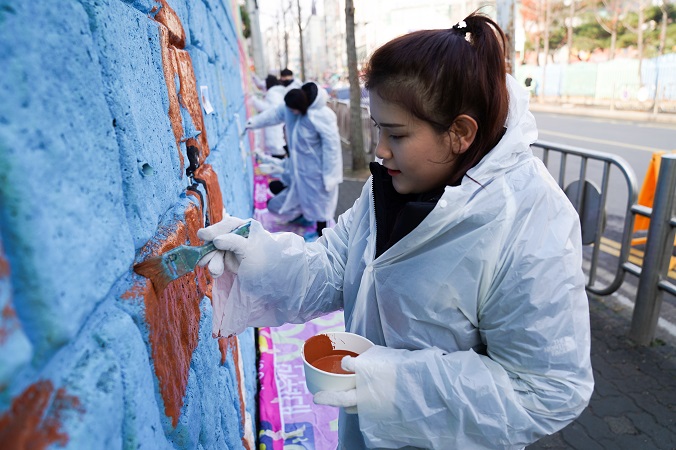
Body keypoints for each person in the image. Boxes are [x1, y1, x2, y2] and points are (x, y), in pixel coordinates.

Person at [198, 12, 593, 449]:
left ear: (460, 132)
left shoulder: (531, 221)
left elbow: (545, 389)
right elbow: (333, 266)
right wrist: (264, 260)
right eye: (378, 129)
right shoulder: (388, 187)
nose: (381, 150)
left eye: (397, 134)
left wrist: (388, 384)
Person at [245, 81, 342, 237]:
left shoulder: (322, 115)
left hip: (317, 171)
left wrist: (331, 176)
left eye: (293, 111)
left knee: (321, 206)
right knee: (301, 199)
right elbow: (274, 114)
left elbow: (332, 148)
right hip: (299, 168)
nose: (291, 113)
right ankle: (304, 217)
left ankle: (322, 234)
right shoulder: (292, 107)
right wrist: (254, 123)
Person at [249, 74, 287, 159]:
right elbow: (261, 85)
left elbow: (269, 109)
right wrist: (255, 79)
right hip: (276, 136)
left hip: (275, 136)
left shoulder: (273, 93)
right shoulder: (276, 91)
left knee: (277, 160)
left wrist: (254, 100)